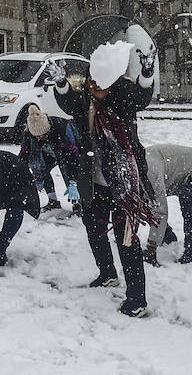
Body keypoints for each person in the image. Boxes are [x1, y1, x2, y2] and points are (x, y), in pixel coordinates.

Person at [53, 45, 158, 318]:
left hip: (123, 184)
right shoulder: (85, 102)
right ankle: (107, 273)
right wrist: (62, 84)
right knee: (94, 230)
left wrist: (147, 73)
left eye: (100, 83)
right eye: (91, 81)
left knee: (127, 241)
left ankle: (137, 299)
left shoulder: (123, 99)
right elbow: (67, 103)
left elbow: (141, 97)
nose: (94, 86)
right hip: (94, 182)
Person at [142, 143, 192, 265]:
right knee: (144, 201)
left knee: (188, 203)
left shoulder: (150, 173)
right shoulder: (137, 167)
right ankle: (167, 238)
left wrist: (151, 248)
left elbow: (160, 211)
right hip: (187, 170)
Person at [18, 105, 65, 210]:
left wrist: (72, 181)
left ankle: (79, 204)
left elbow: (72, 153)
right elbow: (24, 152)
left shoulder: (60, 128)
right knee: (41, 170)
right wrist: (19, 167)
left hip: (63, 151)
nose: (39, 137)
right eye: (36, 135)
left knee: (69, 172)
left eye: (41, 135)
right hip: (45, 153)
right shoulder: (28, 133)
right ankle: (53, 200)